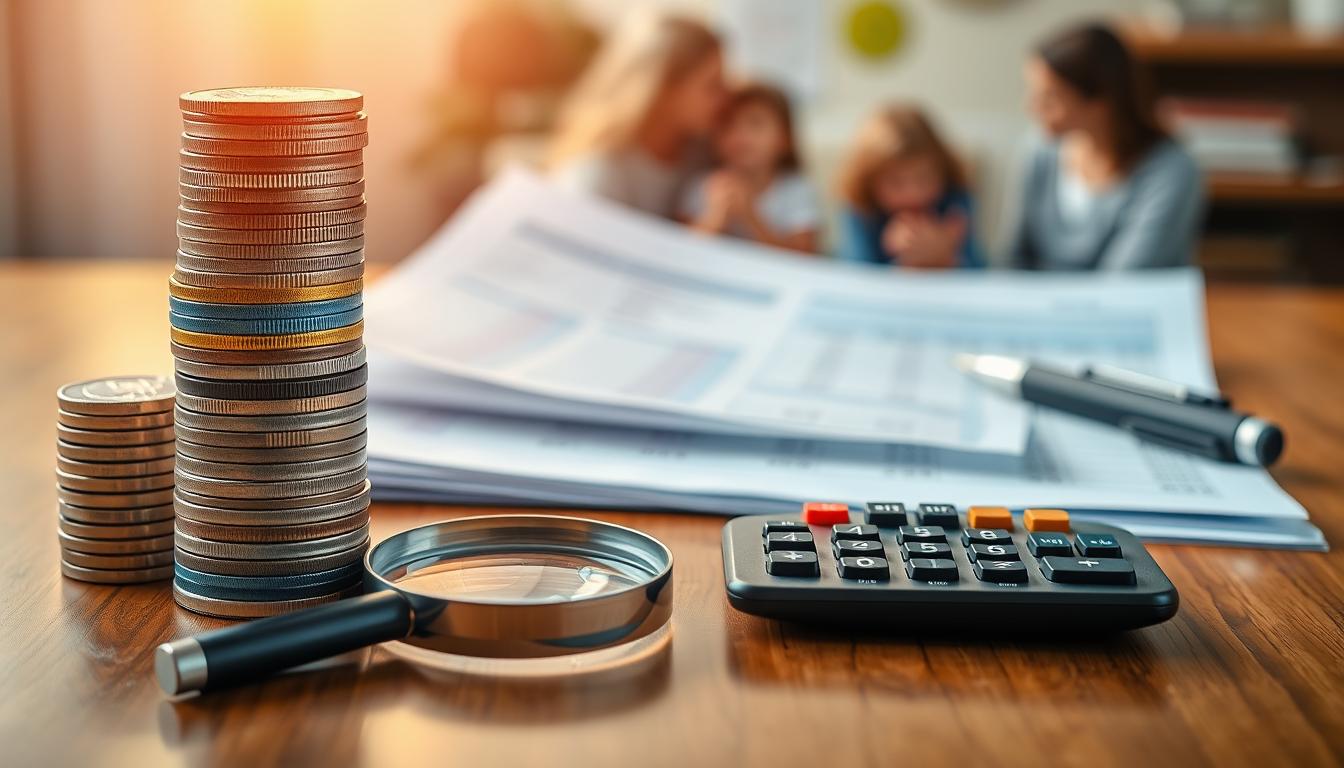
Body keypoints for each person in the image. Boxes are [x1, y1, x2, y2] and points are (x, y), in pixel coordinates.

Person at [1009, 23, 1203, 270]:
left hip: (1126, 307)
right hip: (1038, 306)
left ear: (1101, 102)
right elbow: (1013, 260)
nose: (1032, 108)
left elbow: (1124, 282)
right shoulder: (1039, 152)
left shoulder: (1171, 172)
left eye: (1050, 97)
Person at [548, 12, 725, 219]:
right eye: (713, 85)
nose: (726, 96)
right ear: (663, 91)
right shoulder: (598, 174)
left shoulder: (705, 154)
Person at [834, 106, 983, 268]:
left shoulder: (955, 202)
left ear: (943, 171)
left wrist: (947, 257)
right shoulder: (861, 207)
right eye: (896, 182)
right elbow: (855, 273)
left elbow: (980, 269)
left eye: (924, 178)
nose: (913, 193)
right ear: (869, 182)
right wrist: (899, 259)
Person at [680, 83, 820, 253]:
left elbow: (804, 258)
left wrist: (751, 218)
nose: (740, 136)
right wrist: (715, 217)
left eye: (755, 124)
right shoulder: (700, 186)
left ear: (785, 139)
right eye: (728, 125)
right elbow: (683, 251)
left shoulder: (796, 191)